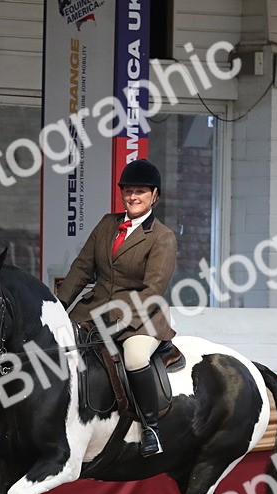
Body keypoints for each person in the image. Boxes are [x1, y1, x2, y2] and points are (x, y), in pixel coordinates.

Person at [56, 159, 177, 457]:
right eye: (128, 191)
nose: (133, 197)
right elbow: (83, 267)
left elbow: (152, 290)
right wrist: (59, 307)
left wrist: (120, 324)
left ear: (155, 196)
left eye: (141, 192)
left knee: (135, 358)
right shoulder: (107, 224)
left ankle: (150, 429)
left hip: (141, 316)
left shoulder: (162, 237)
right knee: (59, 344)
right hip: (94, 308)